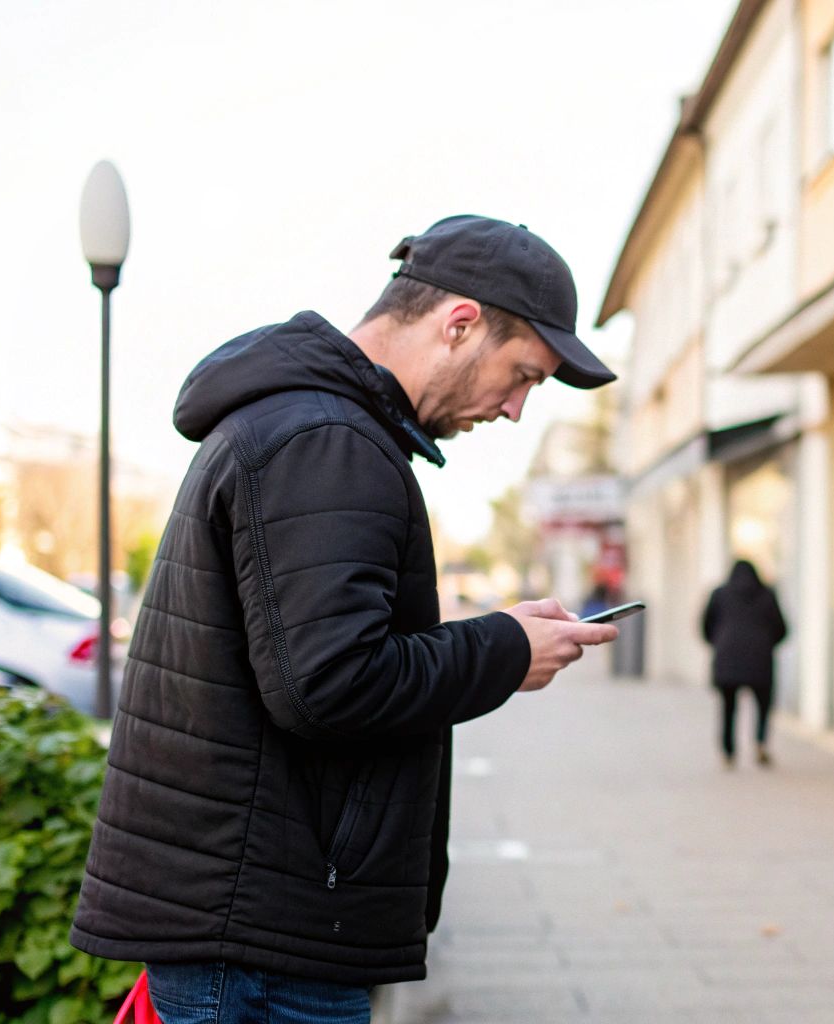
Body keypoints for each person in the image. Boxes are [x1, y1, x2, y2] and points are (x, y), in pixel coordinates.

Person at [68, 215, 622, 1023]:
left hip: (256, 931)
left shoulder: (307, 427)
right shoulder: (329, 441)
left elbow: (316, 657)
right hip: (265, 947)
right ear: (459, 323)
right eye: (523, 375)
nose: (513, 411)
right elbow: (327, 684)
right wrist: (504, 652)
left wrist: (493, 637)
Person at [700, 559, 787, 768]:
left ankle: (728, 752)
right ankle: (761, 743)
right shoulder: (767, 594)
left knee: (728, 708)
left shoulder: (719, 594)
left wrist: (719, 642)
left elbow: (705, 625)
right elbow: (782, 628)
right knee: (763, 705)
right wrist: (766, 643)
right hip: (760, 659)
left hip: (727, 658)